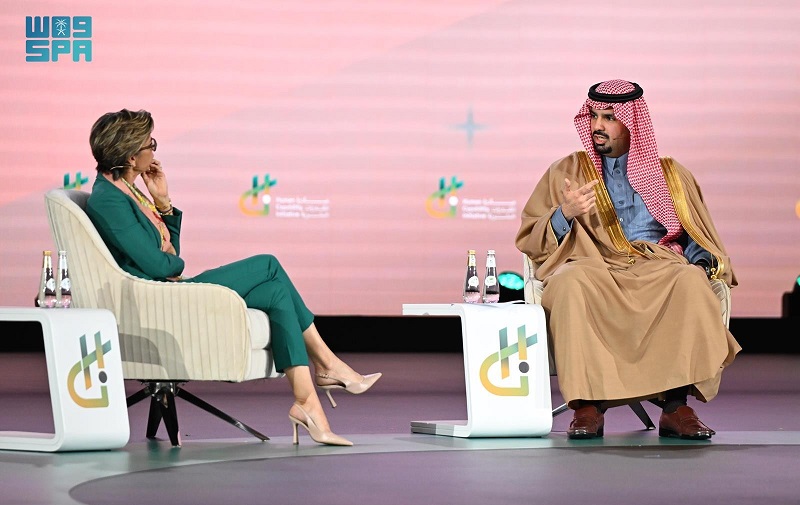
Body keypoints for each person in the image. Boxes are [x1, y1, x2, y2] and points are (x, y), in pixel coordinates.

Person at [85, 109, 381, 447]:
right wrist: (170, 260)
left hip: (169, 287)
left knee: (275, 292)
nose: (155, 150)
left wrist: (163, 203)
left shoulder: (127, 189)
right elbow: (160, 266)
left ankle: (307, 403)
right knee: (268, 264)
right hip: (161, 297)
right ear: (129, 155)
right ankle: (327, 365)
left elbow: (168, 254)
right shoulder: (108, 200)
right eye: (150, 144)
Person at [515, 80, 740, 440]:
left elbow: (695, 234)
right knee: (571, 283)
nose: (597, 125)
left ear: (632, 122)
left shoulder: (671, 175)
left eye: (609, 117)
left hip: (656, 266)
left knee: (689, 281)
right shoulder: (565, 172)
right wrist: (565, 212)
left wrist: (701, 266)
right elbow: (531, 237)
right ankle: (587, 406)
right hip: (592, 265)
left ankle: (675, 407)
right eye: (593, 116)